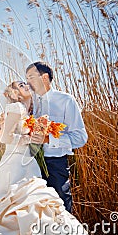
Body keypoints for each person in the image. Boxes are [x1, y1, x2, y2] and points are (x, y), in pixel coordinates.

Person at [0, 81, 91, 235]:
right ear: (15, 93)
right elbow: (4, 137)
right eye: (21, 85)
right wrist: (28, 138)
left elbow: (32, 138)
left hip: (28, 161)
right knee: (17, 201)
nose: (26, 85)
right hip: (15, 163)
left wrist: (40, 132)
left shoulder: (29, 112)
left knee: (34, 201)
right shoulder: (16, 108)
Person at [26, 62, 88, 213]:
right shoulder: (27, 102)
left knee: (60, 207)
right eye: (26, 79)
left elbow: (80, 137)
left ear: (45, 78)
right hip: (29, 165)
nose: (28, 83)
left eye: (31, 78)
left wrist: (49, 140)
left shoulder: (66, 100)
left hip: (55, 165)